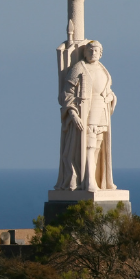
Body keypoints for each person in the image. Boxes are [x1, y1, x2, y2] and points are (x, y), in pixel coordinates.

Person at [54, 40, 117, 191]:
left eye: (96, 51)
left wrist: (112, 98)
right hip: (85, 111)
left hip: (102, 110)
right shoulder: (79, 68)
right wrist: (73, 113)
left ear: (101, 53)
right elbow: (66, 93)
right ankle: (88, 181)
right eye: (90, 50)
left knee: (98, 146)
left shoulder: (103, 70)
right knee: (88, 144)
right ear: (84, 52)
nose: (93, 53)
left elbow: (108, 91)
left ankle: (94, 178)